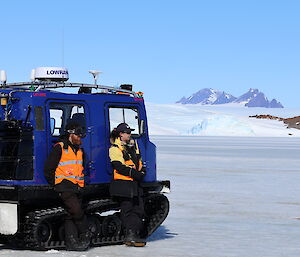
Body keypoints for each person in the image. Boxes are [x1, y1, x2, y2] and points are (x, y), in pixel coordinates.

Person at [44, 121, 91, 251]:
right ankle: (85, 233)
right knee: (77, 211)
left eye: (81, 136)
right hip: (64, 187)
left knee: (70, 215)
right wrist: (55, 185)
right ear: (70, 134)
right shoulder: (59, 148)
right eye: (78, 135)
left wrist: (83, 184)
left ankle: (72, 242)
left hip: (77, 186)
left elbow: (83, 168)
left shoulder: (80, 151)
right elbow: (49, 168)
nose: (79, 138)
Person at [109, 123, 146, 247]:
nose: (130, 135)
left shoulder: (133, 146)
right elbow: (118, 166)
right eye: (127, 133)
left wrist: (142, 171)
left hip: (134, 183)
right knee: (128, 210)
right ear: (121, 134)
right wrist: (134, 173)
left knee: (138, 209)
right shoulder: (115, 148)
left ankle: (134, 234)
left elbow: (139, 161)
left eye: (130, 132)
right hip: (123, 184)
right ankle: (130, 235)